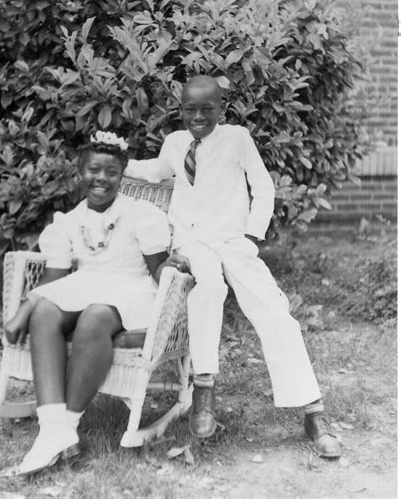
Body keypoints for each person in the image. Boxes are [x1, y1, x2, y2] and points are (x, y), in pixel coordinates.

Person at [125, 75, 341, 458]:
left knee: (273, 309)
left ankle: (312, 409)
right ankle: (204, 386)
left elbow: (263, 187)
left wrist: (252, 236)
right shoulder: (175, 143)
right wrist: (115, 160)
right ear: (180, 110)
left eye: (208, 109)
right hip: (192, 243)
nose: (198, 117)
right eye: (190, 109)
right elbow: (156, 171)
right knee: (206, 291)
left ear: (221, 110)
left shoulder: (237, 137)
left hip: (232, 241)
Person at [4, 131, 187, 475]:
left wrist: (172, 266)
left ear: (121, 177)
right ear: (81, 172)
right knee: (44, 310)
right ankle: (54, 429)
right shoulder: (71, 220)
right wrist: (23, 311)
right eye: (93, 170)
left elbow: (155, 267)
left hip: (129, 290)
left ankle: (64, 425)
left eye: (111, 172)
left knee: (95, 316)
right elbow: (55, 278)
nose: (101, 178)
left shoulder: (141, 213)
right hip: (83, 284)